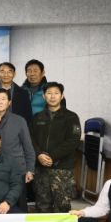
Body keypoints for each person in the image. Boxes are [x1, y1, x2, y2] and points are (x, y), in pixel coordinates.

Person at [31, 82, 81, 213]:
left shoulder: (71, 117)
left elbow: (73, 141)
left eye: (56, 93)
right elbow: (31, 139)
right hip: (41, 168)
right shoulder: (37, 117)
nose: (52, 96)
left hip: (62, 169)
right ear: (44, 96)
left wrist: (51, 156)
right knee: (42, 206)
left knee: (62, 206)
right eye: (49, 93)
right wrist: (39, 154)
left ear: (62, 96)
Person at [0, 88, 35, 210]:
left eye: (3, 99)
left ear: (9, 102)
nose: (0, 102)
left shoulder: (19, 120)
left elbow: (28, 146)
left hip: (16, 170)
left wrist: (30, 169)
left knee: (19, 206)